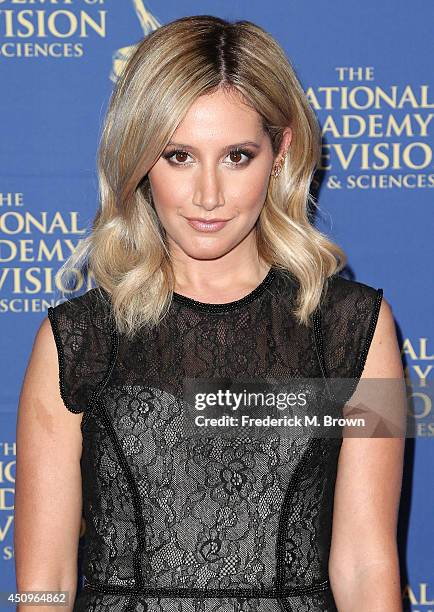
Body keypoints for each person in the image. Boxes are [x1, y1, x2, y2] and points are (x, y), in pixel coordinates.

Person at [14, 14, 406, 612]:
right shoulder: (79, 340)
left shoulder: (351, 330)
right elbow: (45, 583)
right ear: (141, 159)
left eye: (237, 156)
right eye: (178, 156)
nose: (208, 196)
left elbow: (363, 564)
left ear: (281, 153)